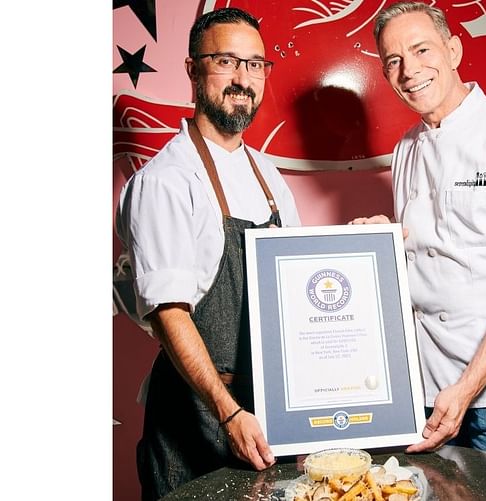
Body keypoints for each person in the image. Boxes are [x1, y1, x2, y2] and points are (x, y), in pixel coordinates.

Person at [350, 1, 486, 463]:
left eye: (422, 50)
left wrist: (466, 389)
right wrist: (382, 240)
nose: (409, 71)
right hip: (427, 377)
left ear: (453, 50)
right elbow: (429, 250)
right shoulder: (406, 148)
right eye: (393, 61)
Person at [115, 8, 301, 500]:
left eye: (256, 64)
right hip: (201, 411)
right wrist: (229, 413)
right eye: (227, 61)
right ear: (193, 70)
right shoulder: (167, 181)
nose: (243, 79)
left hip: (267, 410)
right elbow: (170, 313)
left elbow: (295, 298)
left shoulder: (269, 177)